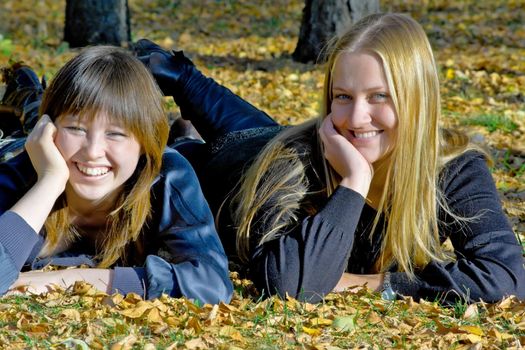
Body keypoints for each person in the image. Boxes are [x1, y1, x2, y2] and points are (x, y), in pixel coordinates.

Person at [134, 12, 525, 304]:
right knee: (186, 149)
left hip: (266, 137)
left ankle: (179, 77)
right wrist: (355, 181)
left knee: (261, 130)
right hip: (222, 168)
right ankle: (174, 90)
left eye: (379, 96)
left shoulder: (452, 167)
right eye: (343, 96)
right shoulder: (295, 162)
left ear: (417, 100)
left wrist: (379, 284)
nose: (356, 117)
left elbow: (506, 276)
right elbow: (293, 285)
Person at [0, 46, 233, 304]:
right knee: (27, 125)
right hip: (14, 148)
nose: (93, 152)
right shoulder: (20, 174)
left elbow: (212, 283)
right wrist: (50, 181)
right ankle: (28, 97)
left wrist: (63, 280)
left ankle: (183, 137)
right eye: (76, 128)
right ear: (52, 129)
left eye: (116, 133)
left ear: (146, 142)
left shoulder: (167, 177)